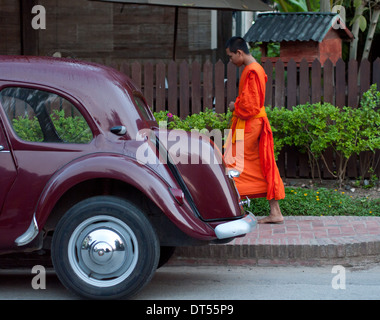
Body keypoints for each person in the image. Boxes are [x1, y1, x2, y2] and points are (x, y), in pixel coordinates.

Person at [224, 36, 285, 224]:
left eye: (231, 56)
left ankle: (234, 210)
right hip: (251, 124)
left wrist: (235, 107)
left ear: (239, 53)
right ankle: (275, 212)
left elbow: (250, 107)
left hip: (250, 124)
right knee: (260, 164)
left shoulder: (252, 71)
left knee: (232, 163)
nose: (230, 60)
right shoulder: (253, 69)